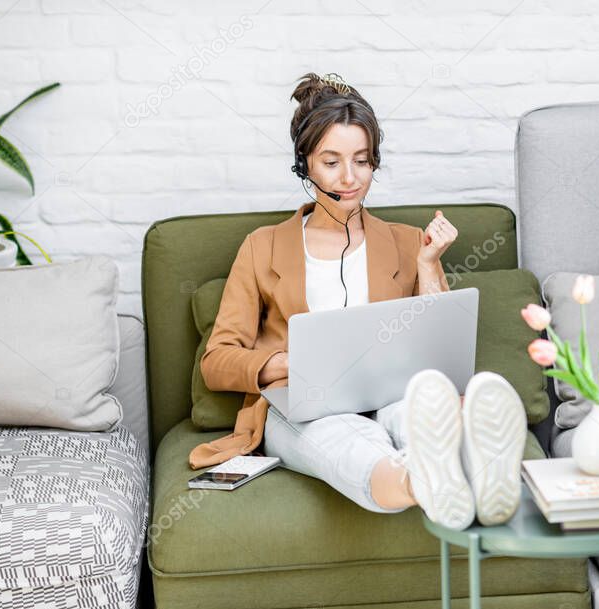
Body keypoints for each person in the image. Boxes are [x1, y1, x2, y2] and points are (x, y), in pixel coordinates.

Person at [189, 72, 525, 530]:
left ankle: (468, 465)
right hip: (303, 404)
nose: (349, 179)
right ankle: (431, 479)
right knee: (348, 442)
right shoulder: (262, 246)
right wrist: (284, 363)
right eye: (331, 162)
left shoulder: (408, 243)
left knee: (416, 413)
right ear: (304, 163)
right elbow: (217, 360)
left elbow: (439, 353)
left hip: (389, 393)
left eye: (362, 162)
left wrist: (428, 265)